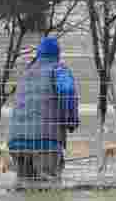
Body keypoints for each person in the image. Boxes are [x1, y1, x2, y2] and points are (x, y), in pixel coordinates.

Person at [7, 36, 79, 182]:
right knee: (49, 190)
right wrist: (71, 121)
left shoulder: (25, 73)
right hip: (46, 142)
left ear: (39, 54)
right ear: (57, 54)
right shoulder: (59, 69)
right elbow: (67, 93)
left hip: (16, 142)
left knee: (24, 189)